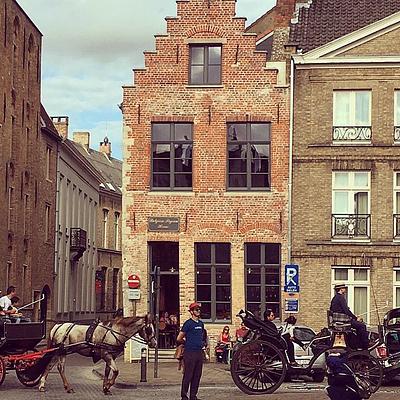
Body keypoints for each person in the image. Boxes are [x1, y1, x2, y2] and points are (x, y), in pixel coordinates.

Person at [177, 302, 205, 400]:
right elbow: (179, 338)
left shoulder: (201, 324)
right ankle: (184, 396)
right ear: (192, 312)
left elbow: (201, 336)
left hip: (199, 352)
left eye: (199, 309)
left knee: (197, 375)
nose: (198, 311)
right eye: (196, 310)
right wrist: (187, 343)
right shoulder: (188, 324)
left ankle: (193, 396)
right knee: (188, 375)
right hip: (190, 353)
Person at [330, 283, 369, 349]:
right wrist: (356, 318)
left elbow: (334, 310)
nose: (345, 290)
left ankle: (357, 343)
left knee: (358, 325)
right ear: (341, 289)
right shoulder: (341, 298)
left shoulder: (335, 298)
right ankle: (363, 345)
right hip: (342, 322)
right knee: (362, 326)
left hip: (338, 320)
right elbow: (346, 311)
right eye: (344, 288)